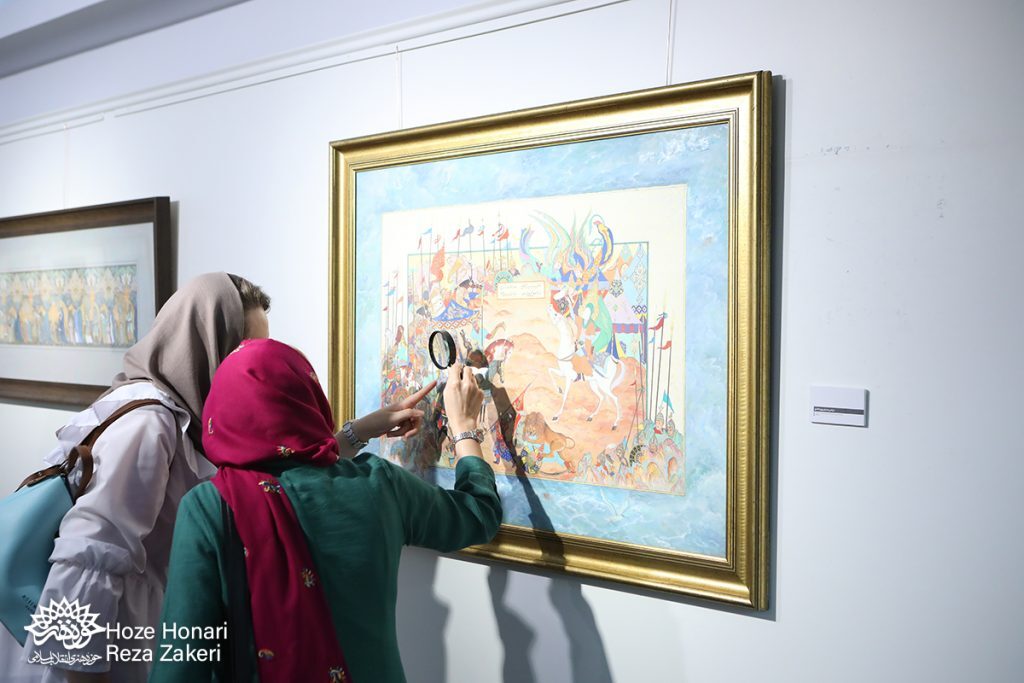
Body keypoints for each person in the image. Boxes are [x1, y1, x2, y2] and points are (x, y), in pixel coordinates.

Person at [149, 338, 501, 683]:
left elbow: (180, 664)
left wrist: (355, 433)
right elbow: (478, 515)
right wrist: (463, 428)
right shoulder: (380, 484)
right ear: (310, 399)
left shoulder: (209, 508)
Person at [0, 272, 271, 683]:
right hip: (93, 655)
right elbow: (87, 554)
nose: (253, 368)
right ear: (204, 346)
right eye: (241, 351)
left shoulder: (180, 418)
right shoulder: (150, 423)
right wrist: (78, 674)